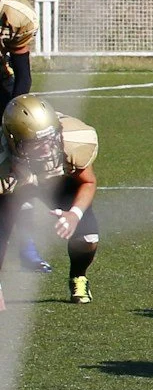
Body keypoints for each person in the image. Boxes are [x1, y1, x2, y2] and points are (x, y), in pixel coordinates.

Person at [0, 97, 98, 304]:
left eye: (49, 139)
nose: (46, 148)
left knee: (88, 238)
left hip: (56, 181)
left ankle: (78, 276)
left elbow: (88, 181)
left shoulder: (72, 140)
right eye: (36, 143)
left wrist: (74, 214)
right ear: (14, 141)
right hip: (12, 183)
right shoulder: (3, 159)